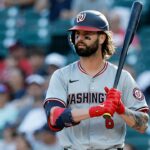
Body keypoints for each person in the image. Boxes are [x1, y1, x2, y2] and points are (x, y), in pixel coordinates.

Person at [43, 10, 149, 150]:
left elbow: (143, 124)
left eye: (87, 34)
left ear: (102, 38)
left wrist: (122, 110)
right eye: (77, 34)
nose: (80, 39)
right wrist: (96, 110)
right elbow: (54, 118)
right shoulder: (61, 75)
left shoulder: (123, 77)